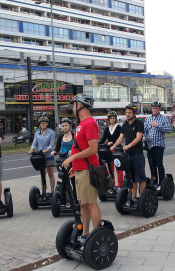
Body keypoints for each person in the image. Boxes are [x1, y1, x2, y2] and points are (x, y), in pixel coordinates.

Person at [62, 94, 101, 245]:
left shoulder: (89, 123)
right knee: (83, 203)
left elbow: (93, 149)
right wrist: (75, 166)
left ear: (81, 106)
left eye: (74, 105)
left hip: (88, 170)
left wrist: (72, 158)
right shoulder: (81, 124)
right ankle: (85, 234)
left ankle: (95, 235)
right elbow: (81, 147)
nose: (72, 107)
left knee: (91, 203)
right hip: (80, 169)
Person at [111, 103, 146, 204]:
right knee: (132, 177)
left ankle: (142, 198)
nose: (127, 114)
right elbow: (121, 138)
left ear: (134, 113)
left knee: (140, 177)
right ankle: (133, 196)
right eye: (126, 112)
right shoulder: (125, 124)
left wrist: (128, 146)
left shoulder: (139, 123)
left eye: (129, 113)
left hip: (137, 154)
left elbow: (138, 138)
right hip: (128, 155)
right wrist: (114, 146)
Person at [144, 101, 172, 188]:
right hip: (150, 145)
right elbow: (144, 131)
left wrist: (157, 125)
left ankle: (161, 182)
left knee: (159, 163)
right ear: (151, 109)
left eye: (156, 108)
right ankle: (154, 181)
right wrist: (143, 137)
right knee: (152, 164)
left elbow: (169, 130)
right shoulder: (148, 119)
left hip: (159, 144)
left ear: (159, 109)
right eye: (153, 108)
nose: (155, 110)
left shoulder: (163, 118)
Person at [29, 117, 56, 193]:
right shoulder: (37, 133)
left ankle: (52, 192)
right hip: (40, 157)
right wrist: (31, 150)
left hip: (48, 156)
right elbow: (34, 143)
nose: (42, 125)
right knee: (42, 174)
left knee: (50, 174)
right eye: (41, 123)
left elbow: (51, 144)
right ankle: (44, 191)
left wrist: (46, 150)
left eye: (44, 123)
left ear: (47, 123)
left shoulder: (51, 132)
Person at [52, 117, 77, 200]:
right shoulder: (61, 136)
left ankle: (75, 198)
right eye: (63, 126)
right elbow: (57, 148)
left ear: (70, 125)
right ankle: (64, 198)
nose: (65, 127)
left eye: (66, 125)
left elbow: (77, 146)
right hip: (63, 160)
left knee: (73, 180)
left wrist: (72, 150)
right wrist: (54, 151)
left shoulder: (74, 135)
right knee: (64, 180)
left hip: (72, 159)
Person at [99, 111, 123, 190]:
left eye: (113, 118)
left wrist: (112, 142)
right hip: (109, 151)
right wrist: (97, 144)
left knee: (118, 168)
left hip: (117, 150)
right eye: (110, 118)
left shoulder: (119, 127)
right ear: (108, 119)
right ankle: (111, 185)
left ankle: (120, 185)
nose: (112, 120)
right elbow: (103, 139)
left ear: (116, 119)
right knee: (110, 169)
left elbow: (119, 138)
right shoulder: (106, 129)